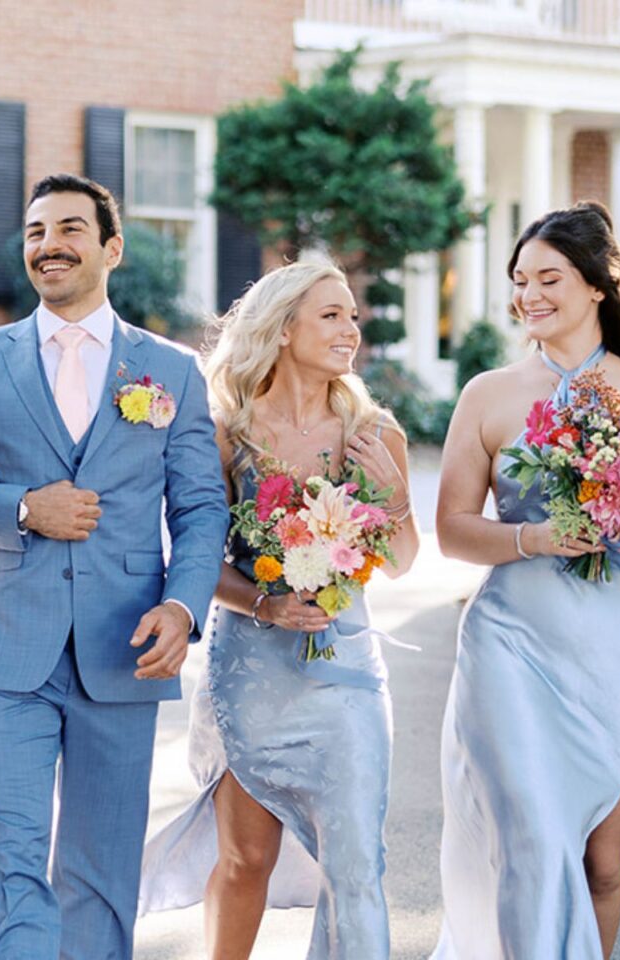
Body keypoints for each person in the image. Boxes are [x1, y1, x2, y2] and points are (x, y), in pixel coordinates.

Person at [0, 173, 230, 960]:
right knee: (13, 859)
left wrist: (183, 609)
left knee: (101, 870)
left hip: (126, 647)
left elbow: (199, 510)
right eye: (36, 230)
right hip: (9, 645)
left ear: (111, 249)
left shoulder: (172, 372)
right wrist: (16, 505)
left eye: (70, 229)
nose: (49, 244)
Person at [432, 201, 620, 959]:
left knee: (606, 855)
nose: (529, 295)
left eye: (547, 277)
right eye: (520, 280)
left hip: (618, 643)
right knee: (535, 841)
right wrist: (536, 535)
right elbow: (452, 528)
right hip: (510, 643)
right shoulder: (488, 393)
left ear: (596, 286)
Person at [138, 261, 419, 959]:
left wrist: (394, 499)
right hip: (252, 676)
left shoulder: (374, 433)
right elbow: (196, 559)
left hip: (348, 677)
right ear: (283, 326)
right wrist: (266, 604)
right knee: (245, 861)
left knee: (357, 868)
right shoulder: (226, 434)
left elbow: (406, 557)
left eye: (353, 316)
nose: (350, 330)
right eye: (331, 315)